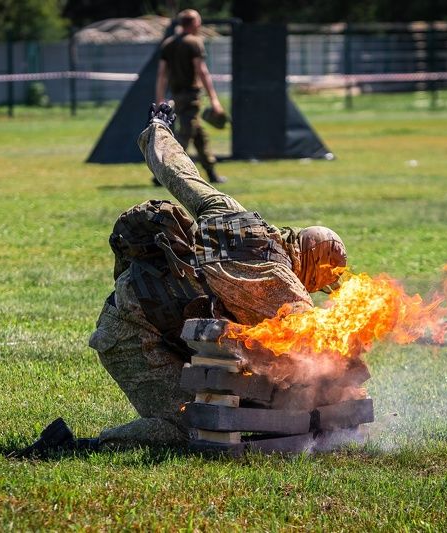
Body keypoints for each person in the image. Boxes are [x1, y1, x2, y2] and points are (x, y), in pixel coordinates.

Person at [87, 102, 348, 447]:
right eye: (317, 284)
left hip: (173, 329)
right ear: (312, 268)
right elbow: (314, 341)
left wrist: (159, 128)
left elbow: (180, 174)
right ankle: (87, 446)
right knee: (190, 425)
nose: (312, 290)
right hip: (132, 339)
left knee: (236, 399)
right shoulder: (280, 281)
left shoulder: (234, 214)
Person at [154, 9, 226, 186]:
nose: (200, 25)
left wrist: (160, 98)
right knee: (184, 136)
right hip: (191, 97)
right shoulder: (194, 42)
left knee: (199, 135)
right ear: (193, 23)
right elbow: (202, 71)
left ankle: (211, 172)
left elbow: (162, 74)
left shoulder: (168, 44)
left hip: (177, 96)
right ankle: (162, 173)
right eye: (198, 22)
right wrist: (214, 100)